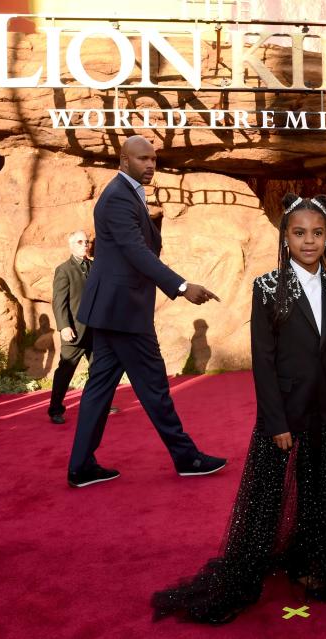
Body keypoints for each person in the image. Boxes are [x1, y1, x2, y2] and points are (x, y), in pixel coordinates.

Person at [151, 194, 326, 624]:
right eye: (299, 233)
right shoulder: (267, 288)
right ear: (285, 236)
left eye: (317, 233)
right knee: (268, 497)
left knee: (319, 493)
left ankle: (315, 568)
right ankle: (250, 566)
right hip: (284, 413)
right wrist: (275, 420)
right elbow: (265, 360)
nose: (308, 241)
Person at [66, 135, 225, 487]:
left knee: (99, 388)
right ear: (124, 160)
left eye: (153, 159)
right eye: (142, 159)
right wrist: (182, 287)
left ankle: (80, 466)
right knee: (153, 386)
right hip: (123, 312)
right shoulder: (119, 198)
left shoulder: (128, 193)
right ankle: (187, 458)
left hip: (112, 310)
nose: (150, 165)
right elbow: (137, 252)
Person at [47, 230, 93, 424]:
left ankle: (98, 405)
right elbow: (59, 301)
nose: (85, 245)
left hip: (95, 331)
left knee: (99, 371)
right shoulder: (64, 269)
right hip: (74, 332)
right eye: (80, 242)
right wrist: (64, 326)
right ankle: (55, 409)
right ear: (71, 245)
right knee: (65, 371)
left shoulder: (94, 266)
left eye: (87, 242)